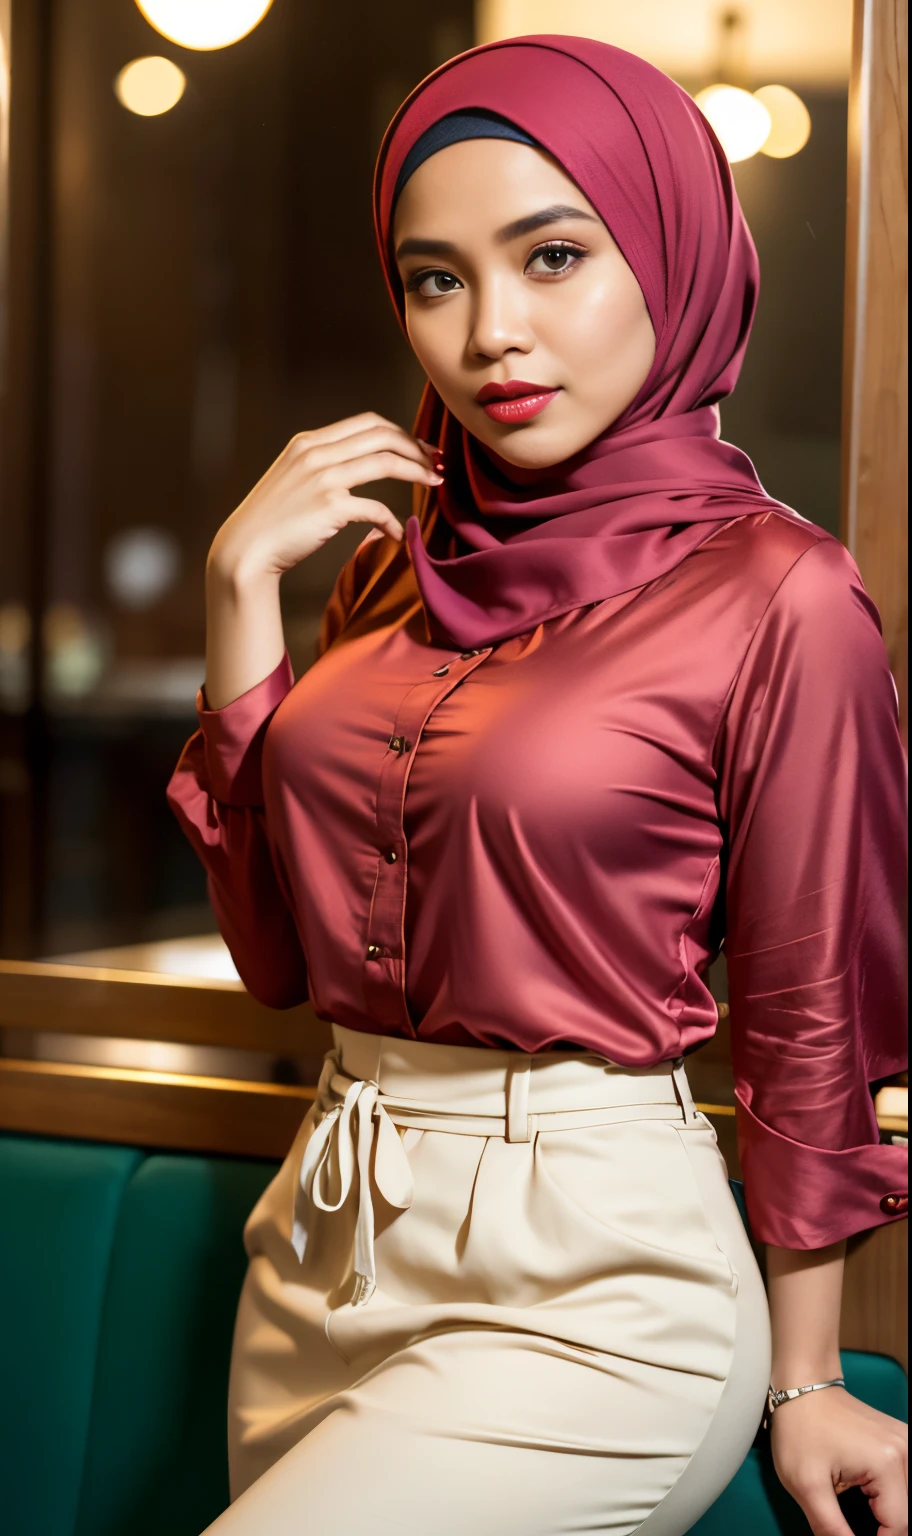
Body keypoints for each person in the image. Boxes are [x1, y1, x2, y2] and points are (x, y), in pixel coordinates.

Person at [166, 35, 908, 1536]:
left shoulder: (781, 594)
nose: (492, 330)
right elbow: (281, 958)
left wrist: (806, 1373)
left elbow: (816, 1001)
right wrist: (238, 592)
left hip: (599, 1289)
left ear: (671, 256)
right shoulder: (382, 575)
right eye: (435, 278)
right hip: (316, 1254)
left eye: (554, 255)